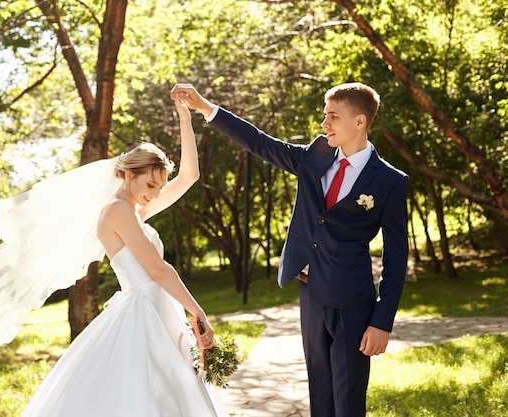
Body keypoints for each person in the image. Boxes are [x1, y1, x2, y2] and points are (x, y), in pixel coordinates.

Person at [0, 98, 227, 417]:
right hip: (142, 312)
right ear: (128, 174)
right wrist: (198, 311)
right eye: (150, 184)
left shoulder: (137, 209)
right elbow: (158, 270)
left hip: (160, 309)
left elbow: (190, 175)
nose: (155, 192)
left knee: (173, 393)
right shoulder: (117, 211)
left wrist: (183, 116)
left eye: (159, 186)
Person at [171, 82, 409, 417]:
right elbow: (259, 143)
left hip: (352, 302)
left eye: (333, 117)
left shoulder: (390, 181)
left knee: (348, 400)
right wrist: (205, 107)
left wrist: (382, 322)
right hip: (310, 294)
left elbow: (397, 259)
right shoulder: (316, 156)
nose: (325, 124)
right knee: (320, 396)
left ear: (359, 122)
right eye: (325, 116)